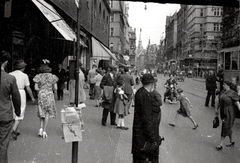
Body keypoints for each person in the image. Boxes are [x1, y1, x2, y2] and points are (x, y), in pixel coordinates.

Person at [132, 74, 162, 163]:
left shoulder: (140, 92)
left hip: (140, 135)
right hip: (143, 137)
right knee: (144, 159)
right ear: (152, 83)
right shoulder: (145, 95)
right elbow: (146, 119)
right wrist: (153, 138)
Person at [0, 50, 21, 163]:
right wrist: (18, 112)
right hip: (5, 115)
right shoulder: (10, 78)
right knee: (3, 144)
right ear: (6, 62)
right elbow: (16, 97)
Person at [9, 59, 35, 140]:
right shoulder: (24, 75)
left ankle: (16, 130)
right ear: (22, 68)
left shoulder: (10, 74)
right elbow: (28, 88)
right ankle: (12, 131)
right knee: (20, 111)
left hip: (11, 93)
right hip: (20, 92)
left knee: (13, 110)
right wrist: (32, 97)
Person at [33, 60, 58, 138]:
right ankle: (44, 130)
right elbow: (55, 88)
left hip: (41, 94)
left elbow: (36, 88)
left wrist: (42, 89)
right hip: (49, 94)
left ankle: (40, 128)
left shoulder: (38, 76)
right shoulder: (53, 77)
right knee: (47, 112)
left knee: (41, 111)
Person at [215, 80, 240, 150]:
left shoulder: (233, 93)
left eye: (224, 84)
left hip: (230, 112)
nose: (223, 86)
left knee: (225, 126)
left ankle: (221, 144)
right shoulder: (222, 92)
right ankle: (231, 141)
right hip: (223, 111)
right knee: (228, 126)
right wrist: (216, 109)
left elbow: (237, 103)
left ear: (228, 86)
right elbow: (220, 101)